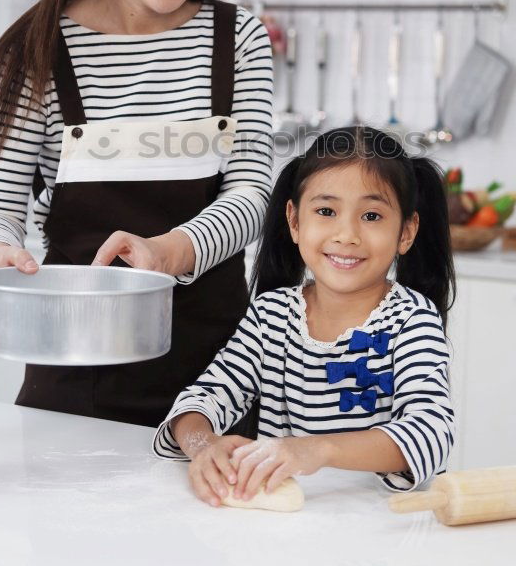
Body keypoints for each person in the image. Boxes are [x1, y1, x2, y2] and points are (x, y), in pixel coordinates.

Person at [0, 0, 273, 427]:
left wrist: (171, 251)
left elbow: (253, 194)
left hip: (216, 387)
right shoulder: (37, 49)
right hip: (74, 386)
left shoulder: (237, 40)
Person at [153, 125, 456, 503]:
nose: (347, 234)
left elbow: (430, 432)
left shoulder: (412, 321)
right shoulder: (272, 316)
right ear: (295, 221)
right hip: (285, 530)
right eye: (326, 211)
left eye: (372, 216)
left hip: (380, 530)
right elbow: (201, 400)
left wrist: (316, 449)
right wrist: (204, 446)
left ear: (407, 231)